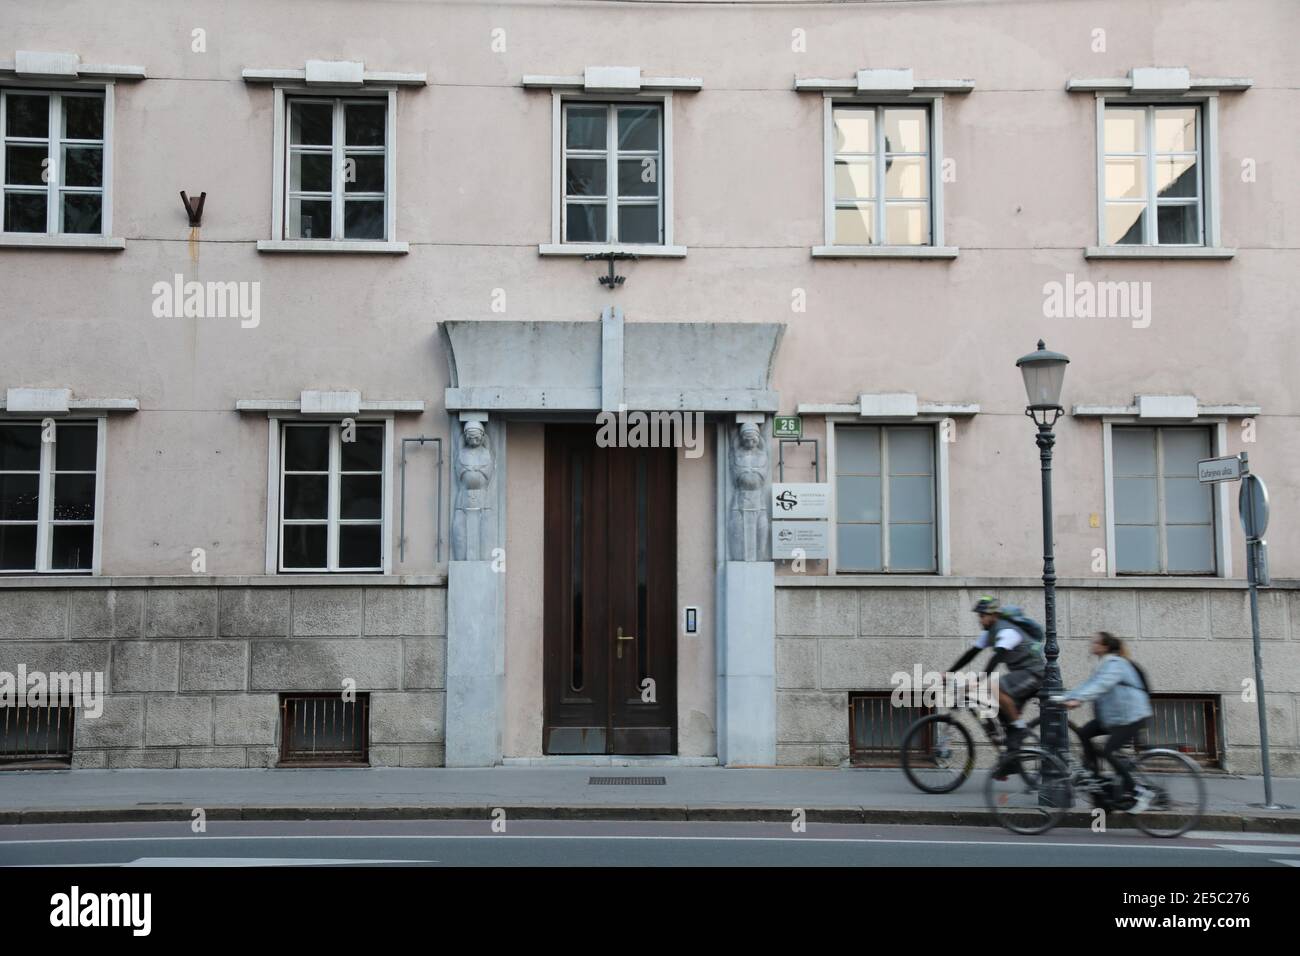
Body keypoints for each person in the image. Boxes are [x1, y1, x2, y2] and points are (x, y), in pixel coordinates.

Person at [1061, 631, 1156, 812]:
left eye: (1095, 642)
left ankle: (1139, 792)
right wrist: (1062, 697)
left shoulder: (1115, 664)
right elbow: (1088, 685)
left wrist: (1078, 700)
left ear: (1104, 646)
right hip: (1113, 718)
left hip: (1131, 717)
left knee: (1108, 751)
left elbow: (1101, 685)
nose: (1092, 645)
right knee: (1084, 733)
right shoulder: (1103, 664)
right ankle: (1096, 779)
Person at [947, 596, 1044, 751]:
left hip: (1034, 673)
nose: (980, 620)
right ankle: (1011, 761)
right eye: (979, 616)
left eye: (982, 616)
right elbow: (971, 653)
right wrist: (948, 672)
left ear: (994, 615)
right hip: (1021, 674)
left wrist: (980, 680)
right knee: (1004, 719)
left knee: (996, 687)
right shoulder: (990, 632)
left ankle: (1020, 729)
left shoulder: (1006, 631)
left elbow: (997, 655)